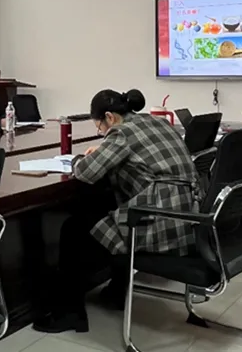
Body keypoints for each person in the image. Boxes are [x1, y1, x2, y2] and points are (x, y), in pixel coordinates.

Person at [33, 89, 199, 334]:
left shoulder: (121, 133)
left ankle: (70, 313)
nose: (102, 133)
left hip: (161, 225)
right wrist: (103, 151)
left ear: (109, 117)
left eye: (99, 128)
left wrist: (78, 159)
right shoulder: (157, 122)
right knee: (109, 208)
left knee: (74, 228)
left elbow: (86, 172)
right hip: (188, 218)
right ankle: (116, 291)